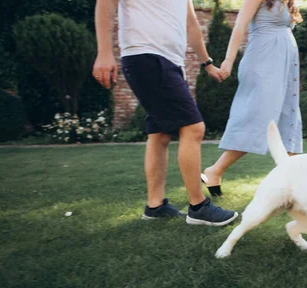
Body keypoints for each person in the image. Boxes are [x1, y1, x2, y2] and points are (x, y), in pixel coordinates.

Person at [92, 0, 238, 226]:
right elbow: (106, 3)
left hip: (170, 61)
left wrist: (207, 63)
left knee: (159, 133)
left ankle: (155, 206)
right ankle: (198, 207)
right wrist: (104, 52)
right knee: (193, 127)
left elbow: (191, 25)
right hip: (146, 54)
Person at [201, 0, 303, 197]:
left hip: (284, 66)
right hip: (262, 64)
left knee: (288, 119)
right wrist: (229, 61)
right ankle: (215, 170)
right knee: (258, 119)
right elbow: (240, 25)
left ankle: (292, 183)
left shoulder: (288, 1)